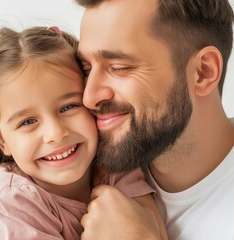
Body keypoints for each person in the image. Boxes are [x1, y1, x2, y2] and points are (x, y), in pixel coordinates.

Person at [0, 26, 168, 239]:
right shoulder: (15, 203)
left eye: (68, 107)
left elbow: (152, 232)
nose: (55, 133)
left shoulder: (114, 162)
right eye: (28, 122)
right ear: (0, 139)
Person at [75, 0, 234, 239]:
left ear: (203, 72)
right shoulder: (71, 173)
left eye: (119, 67)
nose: (89, 97)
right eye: (86, 69)